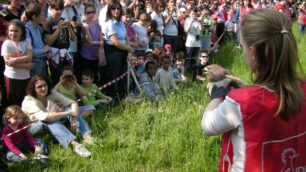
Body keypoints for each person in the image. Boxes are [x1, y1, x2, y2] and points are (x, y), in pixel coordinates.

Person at [201, 9, 306, 171]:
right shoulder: (302, 88)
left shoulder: (242, 102)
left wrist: (217, 92)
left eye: (243, 47)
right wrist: (243, 87)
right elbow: (271, 94)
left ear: (253, 53)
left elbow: (208, 125)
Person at [22, 75, 93, 157]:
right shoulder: (29, 100)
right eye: (39, 87)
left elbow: (73, 103)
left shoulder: (51, 93)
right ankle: (74, 144)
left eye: (45, 85)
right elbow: (45, 117)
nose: (43, 88)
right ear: (33, 89)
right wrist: (68, 113)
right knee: (52, 120)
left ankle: (87, 136)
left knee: (70, 111)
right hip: (32, 127)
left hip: (50, 119)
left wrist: (74, 118)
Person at [102, 1, 133, 99]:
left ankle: (121, 95)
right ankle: (111, 97)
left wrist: (129, 52)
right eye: (113, 8)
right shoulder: (109, 23)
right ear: (109, 10)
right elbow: (116, 43)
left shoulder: (121, 23)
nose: (116, 11)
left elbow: (126, 37)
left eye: (118, 8)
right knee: (113, 75)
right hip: (113, 52)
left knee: (121, 75)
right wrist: (130, 48)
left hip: (123, 51)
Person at [43, 0, 76, 85]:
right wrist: (59, 29)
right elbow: (49, 42)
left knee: (67, 76)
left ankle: (67, 94)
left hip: (66, 53)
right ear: (51, 8)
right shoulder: (48, 22)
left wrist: (69, 27)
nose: (59, 11)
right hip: (55, 55)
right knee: (56, 78)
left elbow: (73, 38)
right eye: (57, 9)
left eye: (61, 9)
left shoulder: (65, 20)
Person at [1, 19, 33, 106]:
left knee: (24, 101)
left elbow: (29, 57)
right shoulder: (7, 44)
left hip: (25, 77)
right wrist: (27, 65)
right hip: (12, 77)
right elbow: (9, 63)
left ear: (22, 32)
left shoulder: (27, 41)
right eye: (11, 30)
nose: (13, 33)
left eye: (16, 31)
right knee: (12, 101)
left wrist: (15, 60)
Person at [25, 2, 50, 76]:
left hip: (43, 60)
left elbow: (42, 43)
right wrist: (43, 50)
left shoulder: (39, 27)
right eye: (41, 15)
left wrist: (47, 52)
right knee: (35, 84)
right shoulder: (26, 30)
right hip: (35, 61)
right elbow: (28, 51)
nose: (43, 17)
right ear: (34, 17)